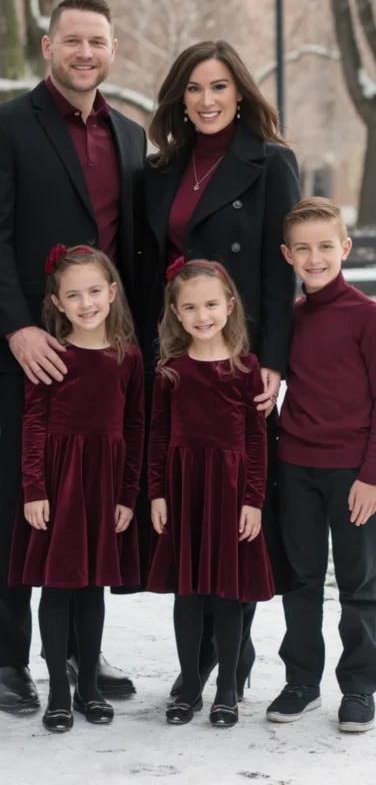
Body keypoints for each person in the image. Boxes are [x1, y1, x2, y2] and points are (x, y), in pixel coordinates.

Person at [0, 0, 146, 712]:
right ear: (47, 46)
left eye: (97, 41)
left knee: (91, 498)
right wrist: (16, 328)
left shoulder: (129, 136)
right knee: (18, 489)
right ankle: (8, 659)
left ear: (112, 47)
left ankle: (78, 650)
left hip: (104, 354)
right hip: (31, 352)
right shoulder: (3, 126)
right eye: (72, 40)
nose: (85, 53)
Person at [142, 40, 300, 699]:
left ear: (240, 93)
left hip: (241, 361)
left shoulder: (272, 163)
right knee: (186, 511)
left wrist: (274, 363)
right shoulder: (159, 169)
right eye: (195, 88)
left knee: (239, 511)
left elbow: (276, 269)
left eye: (219, 87)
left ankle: (230, 658)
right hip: (180, 359)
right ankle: (196, 660)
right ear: (181, 97)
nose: (207, 100)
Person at [9, 245, 144, 733]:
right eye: (73, 295)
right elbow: (33, 425)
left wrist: (128, 496)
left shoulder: (127, 357)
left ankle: (88, 685)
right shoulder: (51, 354)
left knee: (92, 590)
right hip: (58, 485)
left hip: (104, 485)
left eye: (93, 291)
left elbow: (135, 429)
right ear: (57, 302)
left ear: (111, 293)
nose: (85, 303)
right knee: (58, 588)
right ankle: (59, 694)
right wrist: (33, 489)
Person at [147, 258, 273, 727]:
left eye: (212, 304)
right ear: (176, 314)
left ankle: (227, 691)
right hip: (185, 491)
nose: (203, 315)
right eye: (191, 307)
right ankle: (189, 685)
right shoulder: (171, 370)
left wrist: (253, 500)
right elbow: (157, 436)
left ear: (230, 305)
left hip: (231, 490)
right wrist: (157, 493)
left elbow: (258, 440)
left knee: (227, 593)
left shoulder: (245, 367)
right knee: (188, 594)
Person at [267, 197, 376, 734]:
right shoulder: (287, 320)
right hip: (295, 468)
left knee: (360, 585)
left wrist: (372, 477)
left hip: (354, 473)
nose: (315, 258)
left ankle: (358, 687)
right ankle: (302, 680)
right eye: (303, 249)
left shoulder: (367, 316)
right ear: (287, 254)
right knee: (301, 578)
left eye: (325, 247)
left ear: (345, 248)